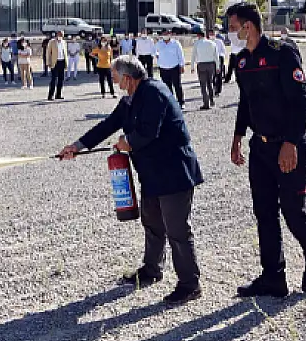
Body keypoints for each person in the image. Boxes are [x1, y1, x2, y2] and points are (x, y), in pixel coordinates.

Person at [58, 55, 204, 304]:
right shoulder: (130, 98)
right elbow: (109, 125)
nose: (114, 82)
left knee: (177, 229)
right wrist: (77, 146)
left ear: (127, 78)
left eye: (115, 78)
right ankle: (151, 270)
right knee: (153, 224)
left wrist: (128, 142)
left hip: (174, 173)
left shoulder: (154, 92)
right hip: (152, 174)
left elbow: (149, 131)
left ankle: (190, 284)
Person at [227, 2, 306, 298]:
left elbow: (301, 102)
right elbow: (246, 102)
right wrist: (238, 135)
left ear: (248, 26)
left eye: (232, 27)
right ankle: (273, 277)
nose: (229, 33)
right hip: (261, 148)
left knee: (293, 210)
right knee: (264, 212)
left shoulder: (282, 53)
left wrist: (291, 143)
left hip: (288, 145)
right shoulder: (242, 61)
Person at [155, 30, 186, 108]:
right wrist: (157, 57)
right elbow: (154, 52)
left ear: (170, 34)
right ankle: (171, 103)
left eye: (167, 34)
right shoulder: (159, 44)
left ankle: (181, 102)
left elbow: (180, 54)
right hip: (163, 68)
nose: (165, 35)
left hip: (174, 67)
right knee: (167, 87)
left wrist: (182, 65)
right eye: (164, 34)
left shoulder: (176, 43)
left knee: (177, 85)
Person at [191, 31, 219, 110]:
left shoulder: (197, 43)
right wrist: (217, 67)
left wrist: (192, 67)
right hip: (211, 64)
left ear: (198, 36)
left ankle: (206, 103)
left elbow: (193, 55)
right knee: (210, 83)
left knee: (203, 85)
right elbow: (216, 55)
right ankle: (212, 100)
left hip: (201, 65)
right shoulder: (212, 43)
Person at [46, 30, 69, 100]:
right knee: (54, 79)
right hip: (55, 62)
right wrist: (48, 62)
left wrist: (66, 62)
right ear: (57, 35)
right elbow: (48, 53)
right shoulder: (52, 42)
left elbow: (65, 52)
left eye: (62, 35)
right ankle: (51, 95)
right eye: (59, 35)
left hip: (62, 62)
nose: (60, 36)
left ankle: (58, 94)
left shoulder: (64, 42)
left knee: (61, 79)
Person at [210, 29, 227, 97]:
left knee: (218, 74)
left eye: (212, 34)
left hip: (219, 57)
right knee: (212, 75)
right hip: (212, 59)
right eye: (210, 34)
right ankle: (214, 87)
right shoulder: (208, 42)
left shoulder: (219, 41)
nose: (211, 35)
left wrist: (220, 57)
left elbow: (223, 50)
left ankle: (218, 90)